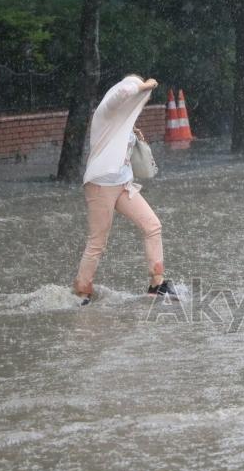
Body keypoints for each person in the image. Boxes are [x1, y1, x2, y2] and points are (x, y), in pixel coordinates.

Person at [73, 74, 177, 305]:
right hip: (101, 184)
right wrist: (144, 84)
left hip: (123, 185)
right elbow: (123, 93)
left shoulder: (125, 122)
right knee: (97, 242)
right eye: (140, 95)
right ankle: (82, 292)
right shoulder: (107, 110)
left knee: (152, 225)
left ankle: (157, 284)